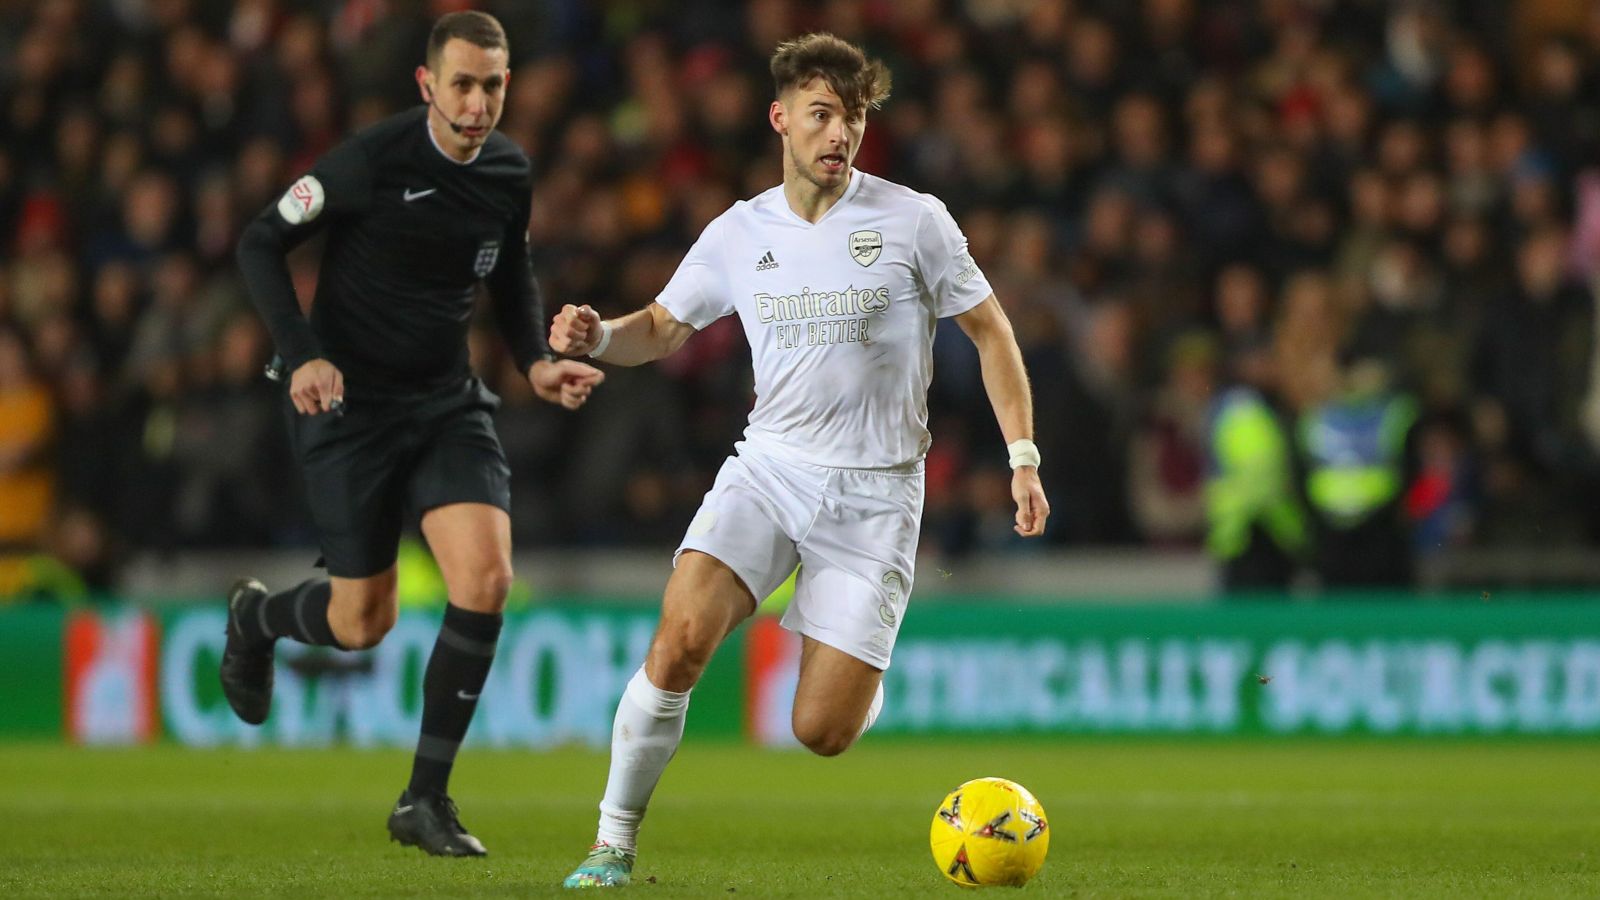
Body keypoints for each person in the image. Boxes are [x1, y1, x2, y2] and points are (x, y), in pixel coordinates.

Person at [547, 33, 1049, 888]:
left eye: (851, 118)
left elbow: (990, 330)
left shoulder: (913, 219)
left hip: (878, 496)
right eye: (821, 115)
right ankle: (612, 842)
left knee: (821, 730)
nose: (838, 134)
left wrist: (1023, 457)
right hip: (771, 469)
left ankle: (859, 671)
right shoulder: (740, 232)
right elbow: (664, 328)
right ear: (780, 119)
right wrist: (601, 337)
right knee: (678, 644)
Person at [224, 11, 603, 858]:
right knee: (364, 622)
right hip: (347, 407)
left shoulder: (508, 169)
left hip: (443, 404)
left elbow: (511, 273)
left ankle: (423, 801)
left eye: (493, 84)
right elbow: (260, 241)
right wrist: (304, 354)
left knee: (488, 575)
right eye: (462, 84)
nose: (478, 103)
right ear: (427, 85)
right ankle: (256, 620)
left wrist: (536, 360)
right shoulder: (370, 161)